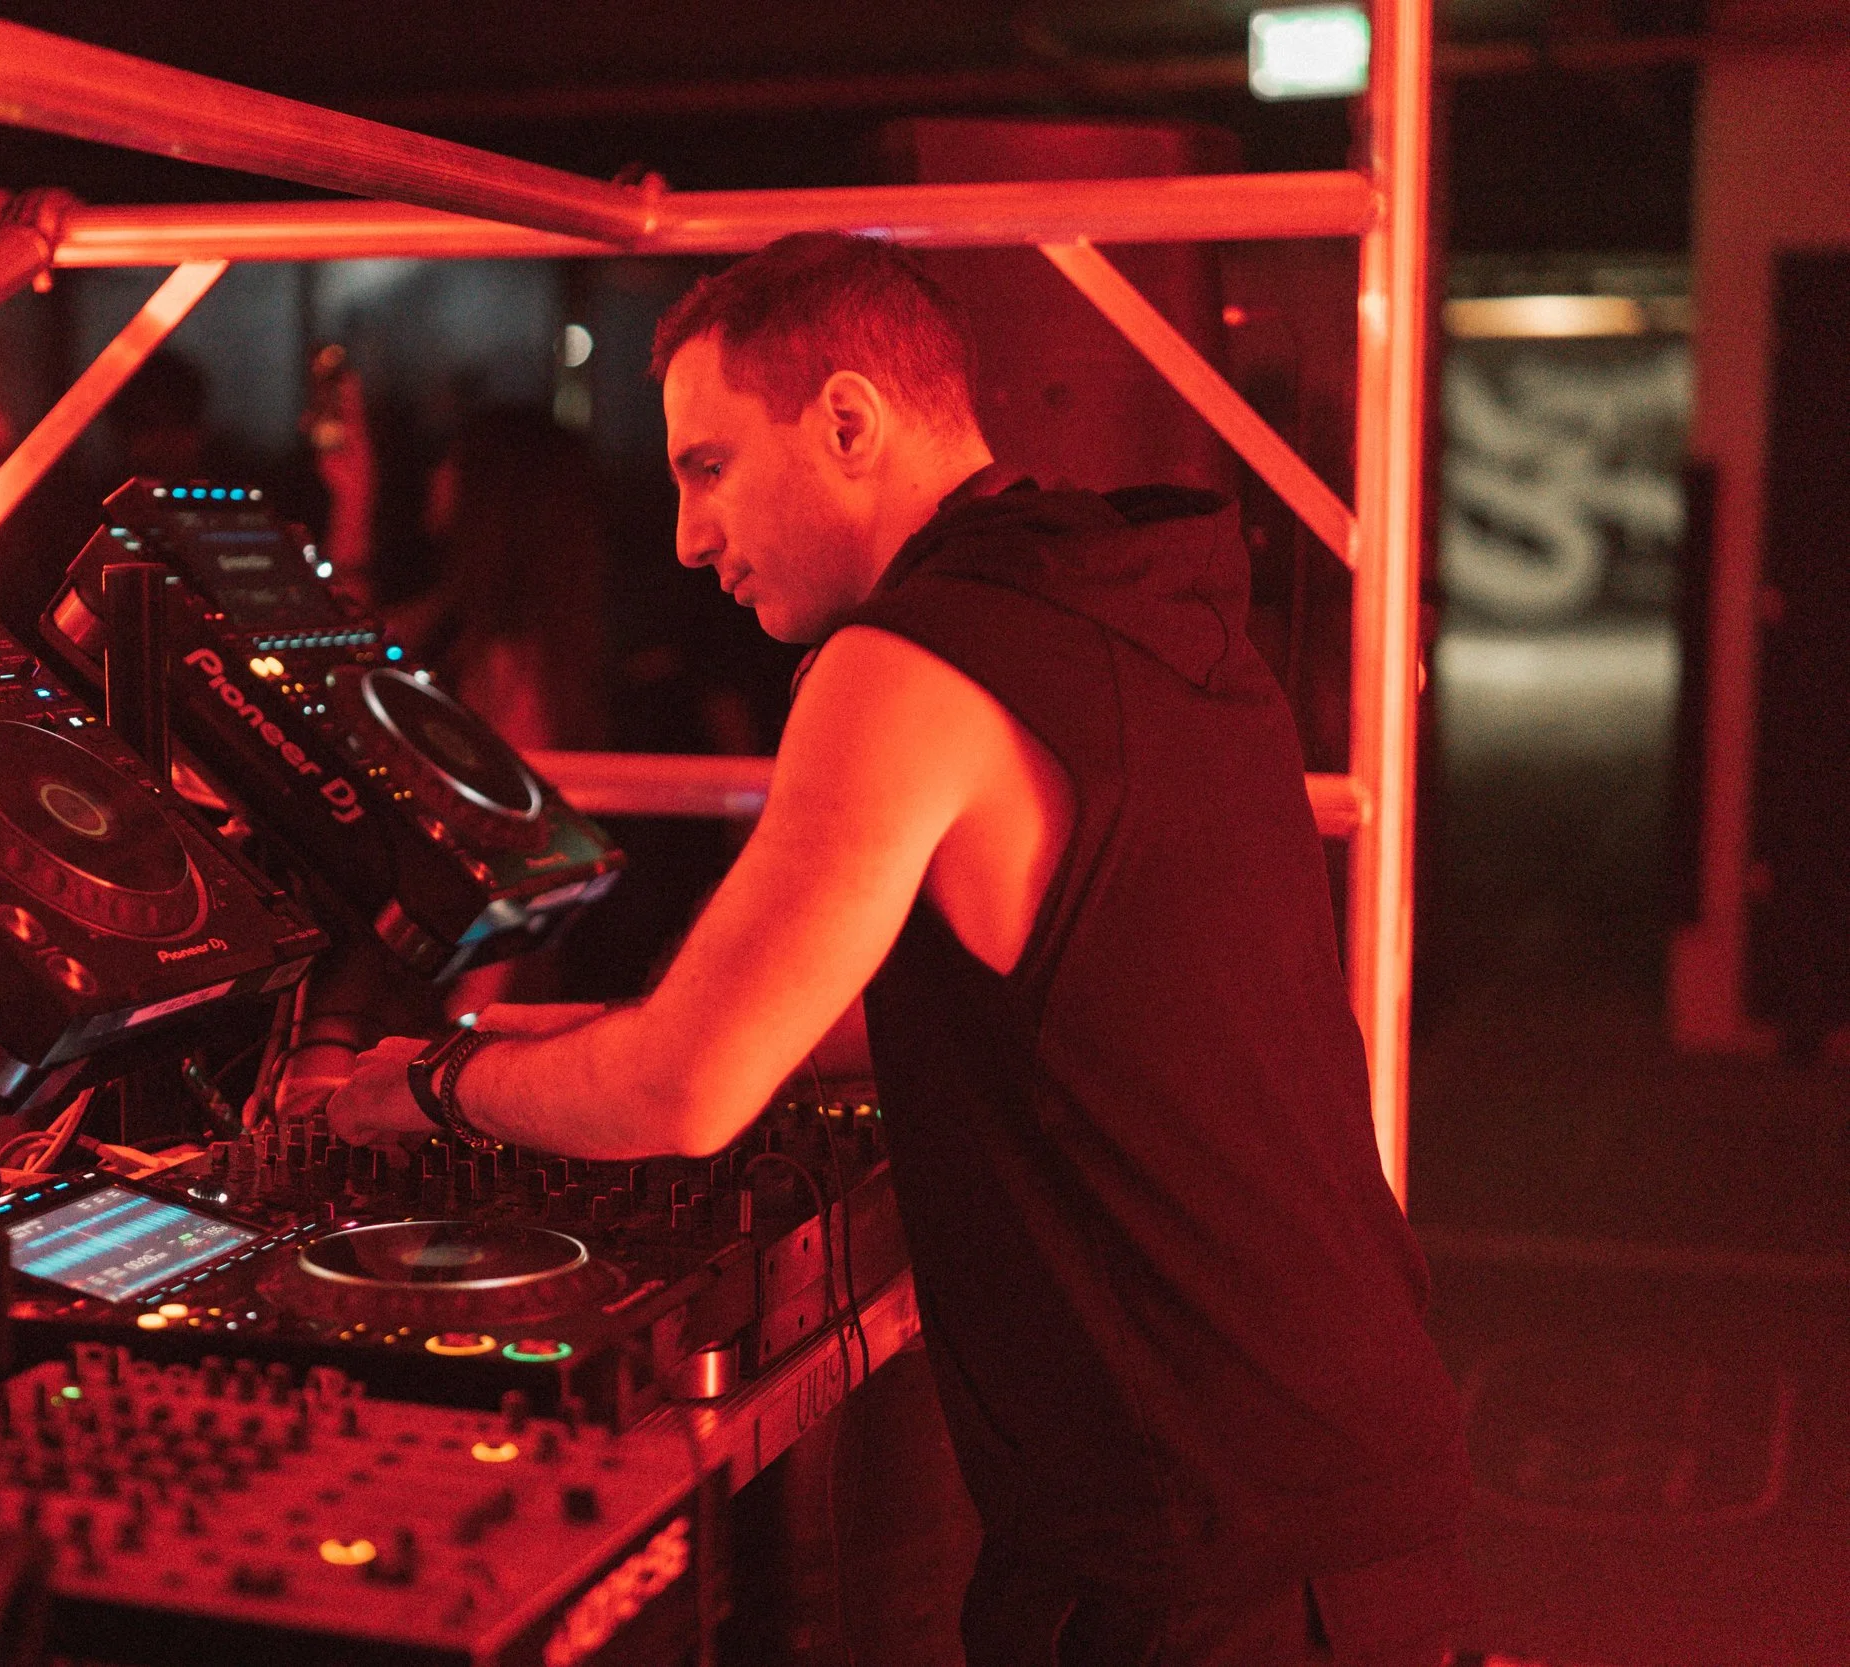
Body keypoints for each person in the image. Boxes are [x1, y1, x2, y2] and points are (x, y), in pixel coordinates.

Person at [327, 233, 1471, 1664]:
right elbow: (984, 1009)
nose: (688, 536)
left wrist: (427, 1093)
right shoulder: (1125, 610)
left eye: (709, 467)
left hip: (1202, 1553)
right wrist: (536, 1040)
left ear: (850, 422)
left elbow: (688, 1091)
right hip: (1342, 1490)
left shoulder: (911, 666)